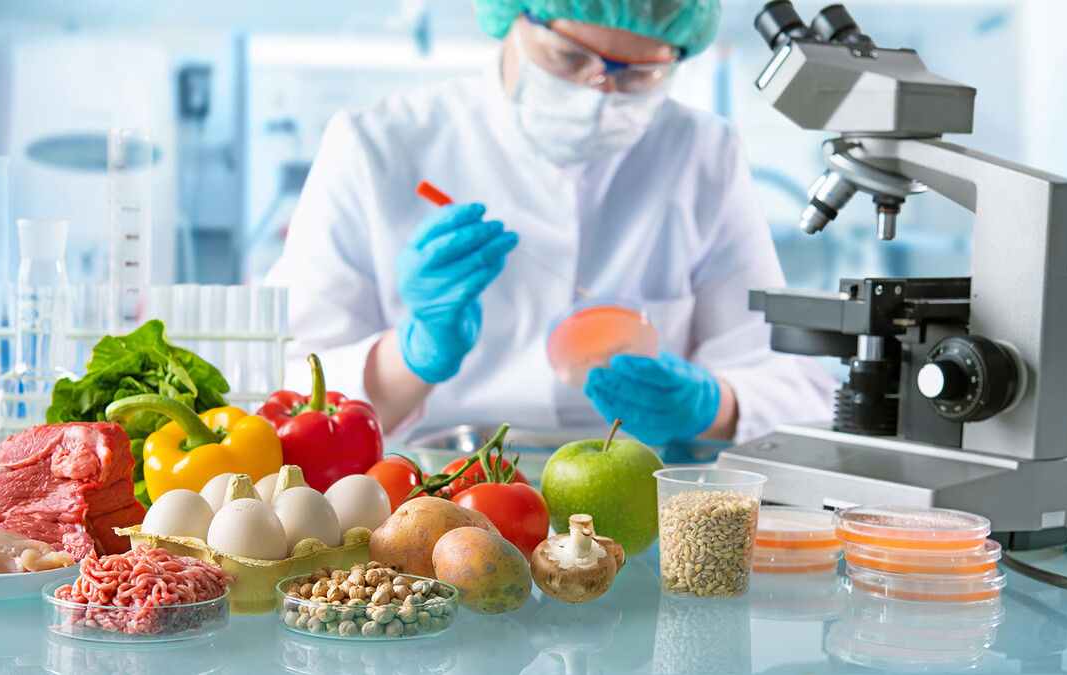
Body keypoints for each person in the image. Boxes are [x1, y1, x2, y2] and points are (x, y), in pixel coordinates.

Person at [267, 0, 837, 447]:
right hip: (426, 503)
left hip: (638, 500)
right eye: (568, 58)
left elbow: (796, 386)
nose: (599, 93)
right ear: (512, 16)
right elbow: (283, 396)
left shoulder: (702, 154)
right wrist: (409, 357)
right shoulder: (377, 144)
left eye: (639, 74)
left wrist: (716, 406)